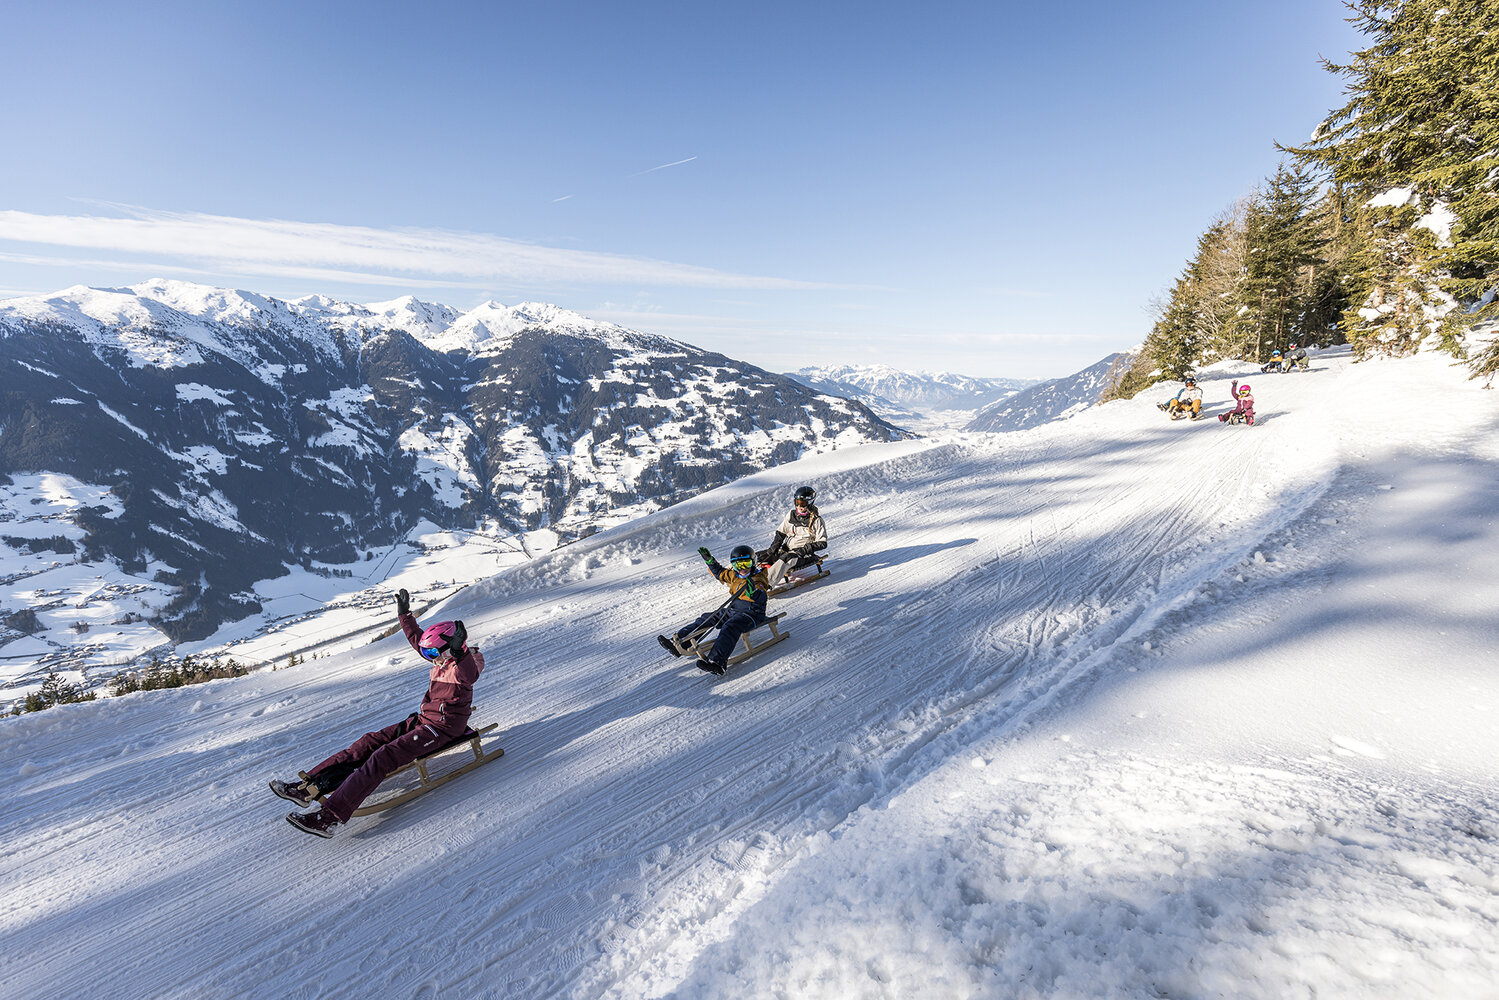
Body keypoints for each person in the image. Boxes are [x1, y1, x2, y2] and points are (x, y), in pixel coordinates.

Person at [273, 588, 486, 838]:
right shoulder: (440, 658)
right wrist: (404, 614)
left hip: (442, 729)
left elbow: (469, 675)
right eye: (428, 654)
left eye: (432, 653)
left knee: (383, 756)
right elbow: (418, 640)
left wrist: (461, 653)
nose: (428, 657)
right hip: (423, 721)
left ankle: (330, 818)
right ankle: (306, 787)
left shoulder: (467, 663)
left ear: (450, 648)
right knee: (367, 742)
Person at [657, 544, 769, 674]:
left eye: (746, 563)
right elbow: (720, 573)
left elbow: (762, 595)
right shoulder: (734, 575)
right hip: (733, 610)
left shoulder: (758, 578)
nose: (743, 568)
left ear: (753, 562)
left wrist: (754, 593)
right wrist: (710, 561)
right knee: (708, 617)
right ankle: (681, 643)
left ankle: (717, 662)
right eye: (738, 565)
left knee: (730, 626)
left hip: (752, 614)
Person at [756, 486, 829, 586]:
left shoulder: (817, 520)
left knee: (787, 558)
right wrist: (774, 548)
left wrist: (805, 549)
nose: (799, 506)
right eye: (797, 502)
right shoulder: (791, 515)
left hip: (803, 554)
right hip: (787, 550)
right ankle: (736, 576)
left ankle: (764, 585)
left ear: (810, 502)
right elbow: (781, 533)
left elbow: (822, 543)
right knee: (759, 556)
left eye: (802, 503)